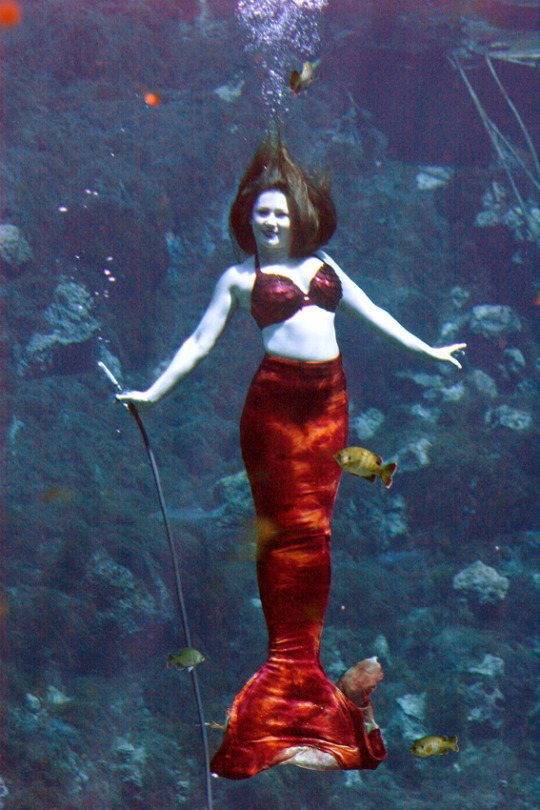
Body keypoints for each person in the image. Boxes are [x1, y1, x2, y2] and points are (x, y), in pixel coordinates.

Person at [117, 136, 466, 780]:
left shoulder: (324, 263)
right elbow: (198, 345)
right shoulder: (239, 278)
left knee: (318, 533)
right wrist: (152, 394)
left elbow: (374, 314)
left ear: (297, 216)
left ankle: (301, 668)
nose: (271, 222)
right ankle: (282, 672)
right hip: (274, 408)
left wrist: (429, 352)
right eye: (261, 214)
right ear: (246, 220)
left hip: (329, 402)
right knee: (282, 533)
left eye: (280, 213)